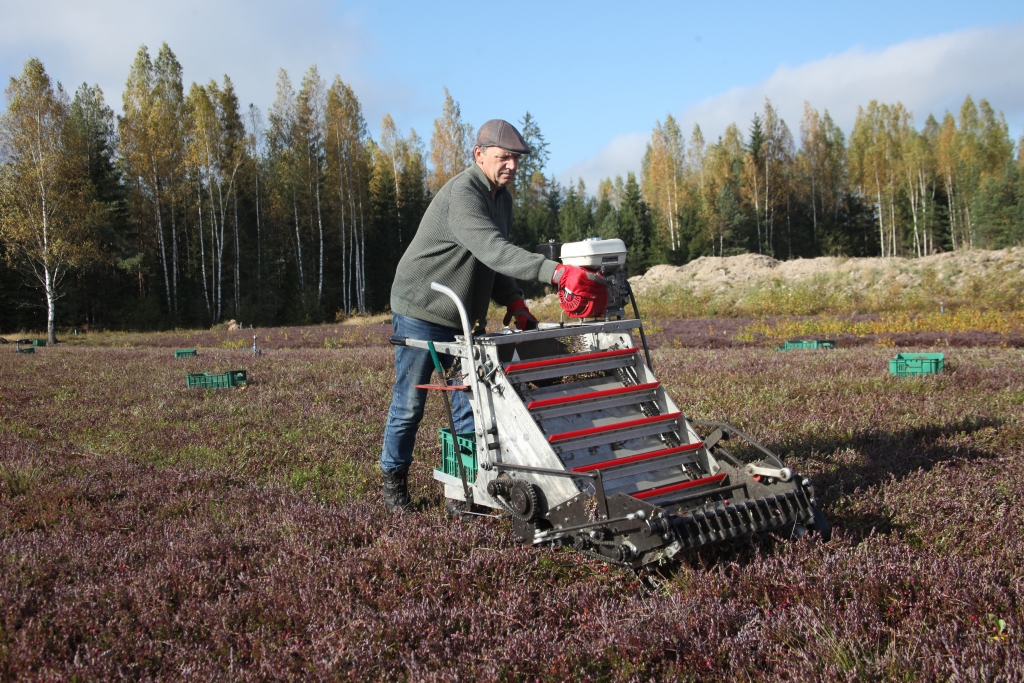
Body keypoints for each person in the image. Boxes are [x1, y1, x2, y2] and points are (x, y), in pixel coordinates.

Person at [380, 118, 607, 511]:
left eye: (516, 159)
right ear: (479, 155)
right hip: (422, 308)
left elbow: (491, 261)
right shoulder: (464, 194)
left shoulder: (501, 198)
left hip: (463, 316)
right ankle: (393, 485)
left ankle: (465, 490)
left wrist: (515, 302)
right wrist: (557, 273)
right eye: (503, 157)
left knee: (471, 404)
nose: (512, 166)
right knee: (409, 405)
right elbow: (492, 248)